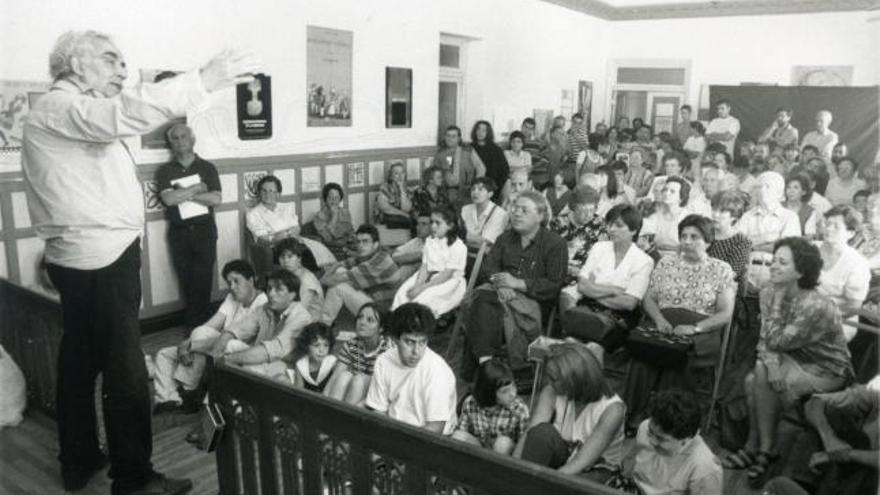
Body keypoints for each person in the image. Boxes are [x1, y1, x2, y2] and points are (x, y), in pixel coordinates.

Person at [21, 29, 258, 494]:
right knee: (127, 372)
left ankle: (81, 461)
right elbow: (123, 112)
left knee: (79, 363)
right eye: (110, 60)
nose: (122, 70)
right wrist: (202, 79)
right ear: (75, 65)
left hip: (87, 259)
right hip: (101, 262)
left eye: (123, 62)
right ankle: (134, 479)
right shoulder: (62, 106)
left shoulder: (64, 113)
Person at [729, 238, 852, 485]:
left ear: (801, 271)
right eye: (774, 259)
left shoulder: (814, 304)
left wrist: (775, 304)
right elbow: (766, 339)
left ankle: (760, 448)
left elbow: (776, 340)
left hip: (828, 369)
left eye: (782, 262)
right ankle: (760, 447)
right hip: (789, 356)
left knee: (759, 379)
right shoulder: (768, 291)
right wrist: (772, 364)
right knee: (757, 377)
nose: (773, 266)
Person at [623, 215, 736, 431]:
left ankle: (667, 421)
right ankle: (635, 414)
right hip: (662, 323)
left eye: (695, 237)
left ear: (708, 241)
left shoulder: (720, 269)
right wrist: (658, 318)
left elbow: (725, 314)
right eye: (683, 236)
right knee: (643, 354)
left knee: (676, 357)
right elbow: (649, 298)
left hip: (700, 330)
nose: (687, 241)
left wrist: (694, 328)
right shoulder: (666, 263)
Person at [463, 191, 567, 377]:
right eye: (515, 209)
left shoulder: (555, 244)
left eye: (524, 210)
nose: (516, 213)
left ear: (540, 216)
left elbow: (554, 284)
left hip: (533, 301)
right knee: (485, 300)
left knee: (483, 304)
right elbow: (489, 267)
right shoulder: (505, 238)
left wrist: (517, 283)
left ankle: (484, 367)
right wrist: (501, 284)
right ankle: (489, 365)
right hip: (498, 294)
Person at [152, 260, 267, 413]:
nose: (232, 287)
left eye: (236, 281)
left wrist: (192, 346)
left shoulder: (262, 303)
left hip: (237, 351)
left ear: (251, 280)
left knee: (203, 339)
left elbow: (234, 340)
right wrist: (186, 344)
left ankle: (189, 389)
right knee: (164, 354)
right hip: (214, 348)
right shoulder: (232, 298)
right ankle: (168, 399)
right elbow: (210, 325)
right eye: (229, 282)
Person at [516, 343, 625, 481]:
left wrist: (545, 483)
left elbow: (581, 462)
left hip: (594, 469)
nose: (549, 382)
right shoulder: (551, 391)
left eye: (554, 379)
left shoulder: (613, 410)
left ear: (575, 380)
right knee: (541, 433)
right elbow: (530, 433)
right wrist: (512, 471)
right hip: (565, 457)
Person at [155, 123, 222, 330]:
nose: (180, 141)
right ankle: (198, 328)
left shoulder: (207, 167)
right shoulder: (165, 171)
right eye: (175, 138)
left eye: (183, 136)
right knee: (186, 280)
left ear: (192, 139)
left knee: (203, 281)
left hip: (204, 231)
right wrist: (196, 188)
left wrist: (184, 194)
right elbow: (169, 200)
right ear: (170, 144)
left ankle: (196, 329)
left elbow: (215, 199)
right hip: (179, 234)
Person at [561, 205, 653, 349]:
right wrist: (612, 290)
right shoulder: (599, 247)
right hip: (588, 310)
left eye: (618, 225)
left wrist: (594, 292)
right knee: (571, 342)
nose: (611, 229)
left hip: (619, 319)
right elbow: (582, 285)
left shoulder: (644, 261)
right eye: (609, 224)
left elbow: (628, 303)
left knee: (591, 346)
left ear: (633, 230)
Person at [365, 303, 457, 434]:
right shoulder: (384, 361)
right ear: (395, 339)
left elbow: (436, 427)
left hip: (428, 440)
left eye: (422, 342)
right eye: (409, 342)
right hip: (394, 430)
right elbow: (379, 411)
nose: (417, 351)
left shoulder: (437, 371)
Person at [621, 389, 722, 495]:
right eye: (650, 432)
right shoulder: (645, 426)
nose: (651, 441)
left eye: (661, 439)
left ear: (686, 439)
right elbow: (632, 463)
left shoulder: (705, 468)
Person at [221, 269, 313, 377]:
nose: (271, 294)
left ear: (292, 295)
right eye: (269, 288)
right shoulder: (265, 308)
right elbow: (236, 330)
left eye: (279, 289)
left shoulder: (301, 316)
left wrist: (226, 360)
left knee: (251, 366)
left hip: (287, 366)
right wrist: (215, 354)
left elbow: (274, 350)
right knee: (230, 344)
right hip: (263, 356)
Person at [799, 382, 880, 495]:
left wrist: (846, 454)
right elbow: (814, 402)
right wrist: (829, 440)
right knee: (830, 413)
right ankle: (802, 484)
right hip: (851, 462)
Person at [246, 175, 336, 273]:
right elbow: (262, 238)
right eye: (264, 190)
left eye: (271, 191)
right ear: (259, 192)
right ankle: (315, 278)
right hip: (276, 248)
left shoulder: (286, 207)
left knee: (318, 251)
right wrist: (279, 236)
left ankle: (323, 275)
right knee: (306, 254)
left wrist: (283, 234)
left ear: (278, 194)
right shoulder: (253, 214)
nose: (267, 194)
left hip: (296, 241)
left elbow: (297, 228)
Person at [392, 207, 467, 317]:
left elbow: (446, 275)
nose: (433, 226)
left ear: (450, 226)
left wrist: (422, 288)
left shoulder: (458, 246)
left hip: (447, 282)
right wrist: (418, 284)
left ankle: (418, 329)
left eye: (438, 223)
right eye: (432, 222)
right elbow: (425, 266)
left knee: (423, 299)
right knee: (403, 294)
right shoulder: (430, 241)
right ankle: (400, 329)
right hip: (426, 277)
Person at [319, 225, 399, 325]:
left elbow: (331, 280)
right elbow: (339, 264)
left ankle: (323, 325)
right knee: (340, 271)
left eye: (365, 241)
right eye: (358, 241)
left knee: (338, 287)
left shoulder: (379, 261)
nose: (360, 245)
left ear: (375, 245)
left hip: (384, 313)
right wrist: (327, 276)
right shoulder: (367, 255)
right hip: (372, 299)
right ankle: (325, 319)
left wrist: (321, 281)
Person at [453, 359, 530, 455]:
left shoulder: (519, 408)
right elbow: (463, 429)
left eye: (513, 386)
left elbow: (524, 445)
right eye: (505, 391)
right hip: (480, 449)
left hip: (506, 457)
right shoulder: (470, 403)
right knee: (458, 436)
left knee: (502, 444)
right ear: (489, 393)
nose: (513, 394)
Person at [817, 206, 870, 342]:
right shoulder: (811, 249)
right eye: (828, 224)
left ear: (850, 233)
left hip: (839, 320)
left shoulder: (857, 263)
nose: (829, 229)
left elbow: (853, 307)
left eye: (836, 226)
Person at [324, 302, 395, 405]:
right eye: (360, 317)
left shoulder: (388, 350)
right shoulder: (351, 345)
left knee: (359, 380)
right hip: (350, 395)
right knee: (344, 376)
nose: (362, 322)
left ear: (381, 328)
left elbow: (382, 390)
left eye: (370, 320)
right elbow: (335, 377)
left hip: (373, 400)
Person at [549, 186, 607, 283]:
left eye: (592, 210)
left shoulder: (599, 224)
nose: (588, 215)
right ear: (573, 207)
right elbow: (549, 257)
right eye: (583, 210)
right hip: (561, 274)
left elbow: (604, 255)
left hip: (590, 276)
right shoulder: (557, 224)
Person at [707, 191, 752, 295]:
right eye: (714, 209)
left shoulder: (741, 241)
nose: (715, 214)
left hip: (724, 292)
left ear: (734, 216)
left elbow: (729, 275)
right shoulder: (704, 232)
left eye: (722, 211)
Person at [639, 177, 693, 258]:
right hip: (655, 256)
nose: (666, 193)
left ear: (681, 197)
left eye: (672, 191)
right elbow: (642, 235)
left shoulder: (688, 217)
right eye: (665, 190)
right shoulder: (655, 216)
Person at [275, 238, 324, 321]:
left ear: (299, 258)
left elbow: (300, 311)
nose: (286, 261)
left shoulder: (307, 280)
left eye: (290, 256)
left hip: (310, 325)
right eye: (282, 257)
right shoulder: (287, 274)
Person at [434, 125, 481, 206]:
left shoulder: (468, 151)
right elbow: (433, 173)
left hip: (467, 190)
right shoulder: (440, 154)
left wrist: (477, 186)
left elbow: (481, 168)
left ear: (459, 138)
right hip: (447, 192)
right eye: (448, 136)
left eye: (453, 136)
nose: (450, 139)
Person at [459, 177, 507, 250]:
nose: (475, 192)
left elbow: (486, 241)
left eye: (480, 189)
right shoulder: (465, 209)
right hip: (465, 251)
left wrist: (462, 236)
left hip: (486, 256)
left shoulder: (499, 213)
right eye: (473, 189)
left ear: (490, 194)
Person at [311, 182, 355, 260]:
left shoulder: (345, 212)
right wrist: (334, 216)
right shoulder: (318, 216)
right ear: (325, 199)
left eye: (336, 198)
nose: (334, 201)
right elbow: (328, 238)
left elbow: (350, 232)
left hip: (348, 245)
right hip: (332, 250)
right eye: (330, 198)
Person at [291, 322, 337, 393]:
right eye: (316, 345)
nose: (322, 350)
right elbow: (298, 391)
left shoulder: (332, 362)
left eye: (326, 345)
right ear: (306, 346)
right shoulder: (300, 365)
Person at [471, 120, 508, 204]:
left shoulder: (496, 149)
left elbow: (504, 170)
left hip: (491, 188)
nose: (480, 132)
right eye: (478, 129)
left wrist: (495, 188)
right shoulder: (470, 148)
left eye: (484, 130)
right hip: (473, 186)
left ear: (488, 133)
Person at [391, 212, 432, 281]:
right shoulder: (416, 241)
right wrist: (413, 257)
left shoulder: (437, 242)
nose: (419, 227)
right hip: (414, 277)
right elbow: (394, 256)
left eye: (424, 224)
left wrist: (413, 258)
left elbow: (421, 256)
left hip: (430, 279)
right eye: (418, 224)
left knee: (409, 267)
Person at [374, 161, 413, 228]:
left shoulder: (407, 189)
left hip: (402, 218)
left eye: (402, 173)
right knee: (408, 220)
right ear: (391, 176)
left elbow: (406, 209)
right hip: (387, 217)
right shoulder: (384, 188)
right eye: (396, 173)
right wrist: (403, 214)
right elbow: (385, 208)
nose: (400, 176)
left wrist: (401, 190)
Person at [784, 172, 820, 238]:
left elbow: (809, 236)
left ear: (803, 192)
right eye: (788, 187)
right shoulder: (778, 206)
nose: (791, 191)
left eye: (796, 188)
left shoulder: (809, 211)